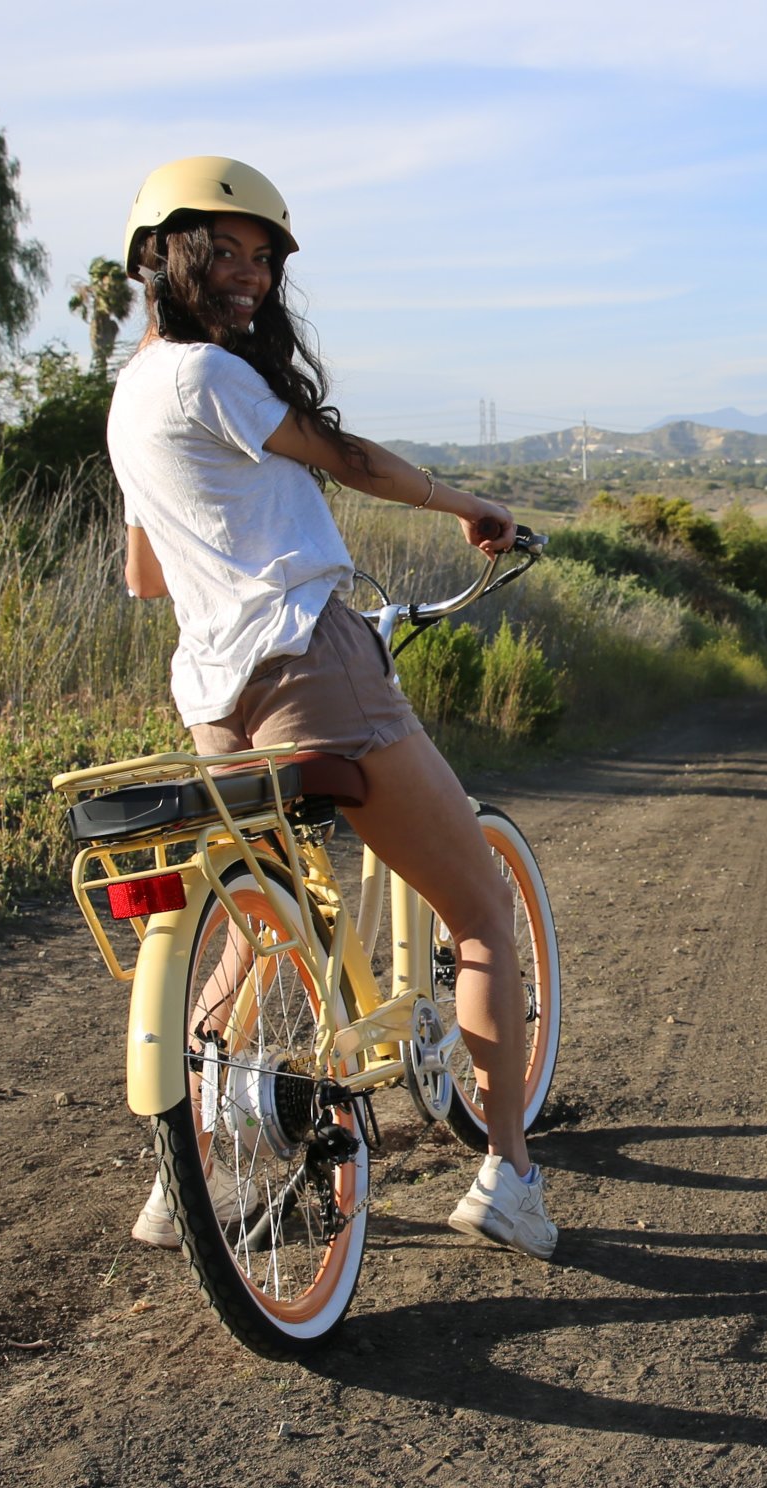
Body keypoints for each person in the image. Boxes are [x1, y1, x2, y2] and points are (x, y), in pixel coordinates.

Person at [106, 155, 557, 1261]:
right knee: (481, 916)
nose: (255, 275)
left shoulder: (128, 396)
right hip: (315, 663)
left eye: (266, 258)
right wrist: (470, 504)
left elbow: (146, 577)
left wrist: (236, 524)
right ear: (173, 254)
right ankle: (508, 1174)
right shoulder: (211, 373)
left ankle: (187, 1181)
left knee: (264, 933)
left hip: (216, 693)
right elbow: (349, 459)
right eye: (234, 252)